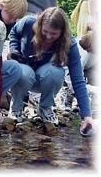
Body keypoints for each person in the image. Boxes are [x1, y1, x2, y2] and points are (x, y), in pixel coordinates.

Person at [7, 7, 93, 136]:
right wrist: (14, 49)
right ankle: (16, 108)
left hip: (45, 77)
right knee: (24, 73)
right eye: (45, 31)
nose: (48, 36)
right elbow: (14, 32)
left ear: (62, 32)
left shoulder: (70, 43)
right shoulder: (28, 23)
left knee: (55, 72)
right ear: (40, 25)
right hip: (25, 71)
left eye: (54, 34)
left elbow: (78, 80)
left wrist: (87, 116)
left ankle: (45, 108)